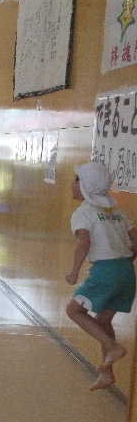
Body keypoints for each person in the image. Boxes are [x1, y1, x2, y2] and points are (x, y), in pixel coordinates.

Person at [64, 161, 137, 391]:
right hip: (126, 272)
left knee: (73, 311)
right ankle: (106, 372)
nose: (72, 183)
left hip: (105, 271)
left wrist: (74, 271)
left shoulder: (83, 213)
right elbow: (135, 239)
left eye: (75, 179)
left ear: (82, 185)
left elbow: (84, 242)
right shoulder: (116, 212)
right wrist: (126, 262)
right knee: (103, 320)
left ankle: (111, 347)